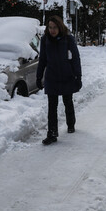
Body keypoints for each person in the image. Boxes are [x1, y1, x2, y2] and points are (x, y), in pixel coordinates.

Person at [36, 15, 82, 145]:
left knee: (68, 101)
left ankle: (71, 124)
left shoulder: (68, 39)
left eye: (55, 27)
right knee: (52, 106)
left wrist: (78, 76)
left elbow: (75, 58)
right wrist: (39, 77)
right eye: (50, 27)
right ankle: (52, 133)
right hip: (52, 77)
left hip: (67, 75)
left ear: (60, 27)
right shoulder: (45, 40)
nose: (52, 30)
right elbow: (43, 60)